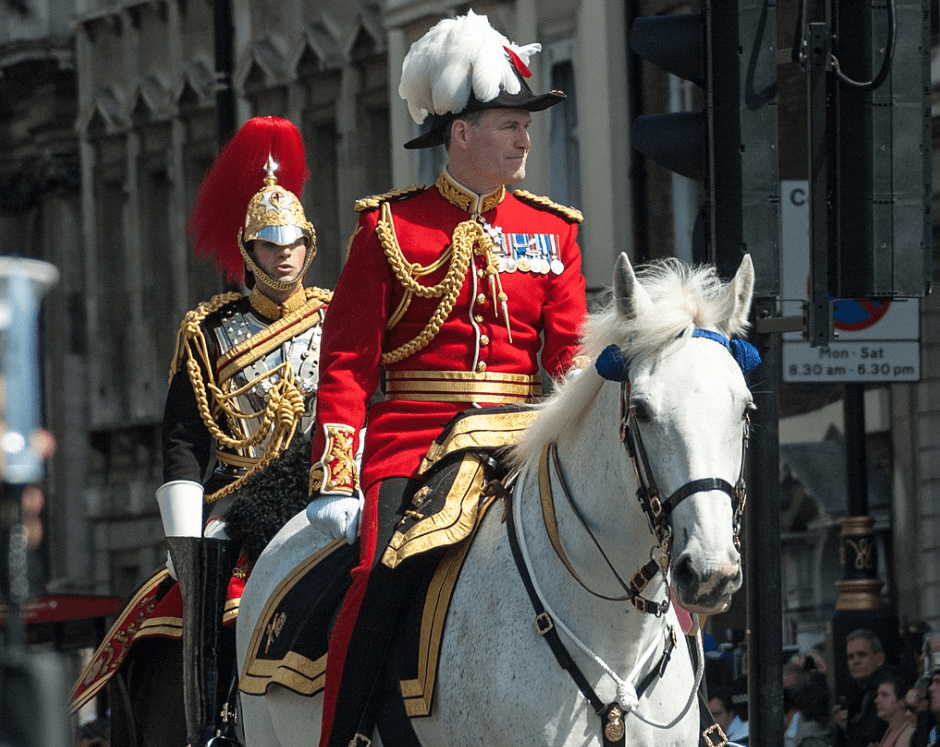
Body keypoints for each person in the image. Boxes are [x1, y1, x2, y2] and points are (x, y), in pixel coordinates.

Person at [305, 10, 588, 747]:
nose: (526, 137)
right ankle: (348, 732)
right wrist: (337, 476)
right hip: (416, 440)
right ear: (460, 132)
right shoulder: (390, 231)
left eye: (527, 125)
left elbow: (567, 360)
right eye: (508, 123)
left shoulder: (555, 233)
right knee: (374, 575)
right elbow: (346, 363)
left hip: (525, 435)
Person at [70, 116, 331, 747]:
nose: (285, 255)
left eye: (294, 243)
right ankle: (211, 719)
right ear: (249, 251)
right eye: (272, 245)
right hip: (239, 497)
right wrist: (186, 538)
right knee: (215, 603)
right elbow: (184, 440)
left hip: (326, 485)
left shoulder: (333, 314)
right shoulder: (209, 331)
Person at [834, 629, 890, 747]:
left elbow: (870, 738)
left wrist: (849, 727)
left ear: (879, 659)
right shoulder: (854, 693)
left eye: (862, 654)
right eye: (850, 657)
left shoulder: (887, 691)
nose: (855, 661)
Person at [875, 672, 916, 747]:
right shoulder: (892, 729)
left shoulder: (909, 733)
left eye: (884, 695)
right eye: (878, 695)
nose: (877, 700)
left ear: (902, 701)